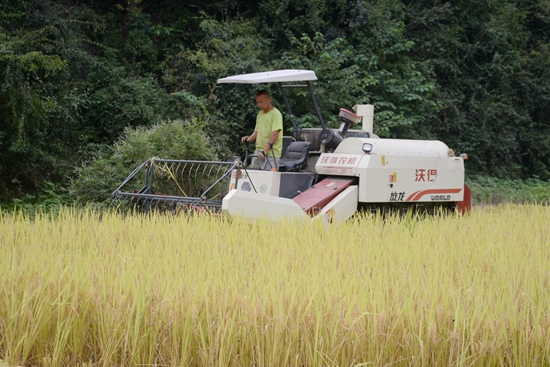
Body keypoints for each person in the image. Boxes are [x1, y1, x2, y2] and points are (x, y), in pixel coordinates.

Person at [241, 90, 283, 170]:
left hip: (271, 154)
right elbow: (257, 131)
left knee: (268, 180)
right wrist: (249, 138)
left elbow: (275, 134)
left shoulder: (276, 114)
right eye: (257, 102)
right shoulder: (260, 114)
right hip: (258, 151)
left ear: (269, 100)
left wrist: (265, 150)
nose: (259, 105)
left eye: (261, 102)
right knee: (252, 175)